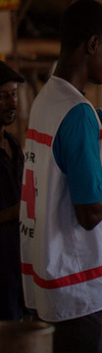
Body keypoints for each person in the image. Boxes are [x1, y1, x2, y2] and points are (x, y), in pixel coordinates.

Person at [19, 0, 102, 353]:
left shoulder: (49, 98)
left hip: (55, 281)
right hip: (84, 293)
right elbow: (90, 212)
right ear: (92, 44)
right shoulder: (77, 112)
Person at [0, 61, 25, 321]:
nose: (12, 102)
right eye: (3, 96)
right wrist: (18, 212)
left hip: (19, 268)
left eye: (14, 94)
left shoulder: (13, 143)